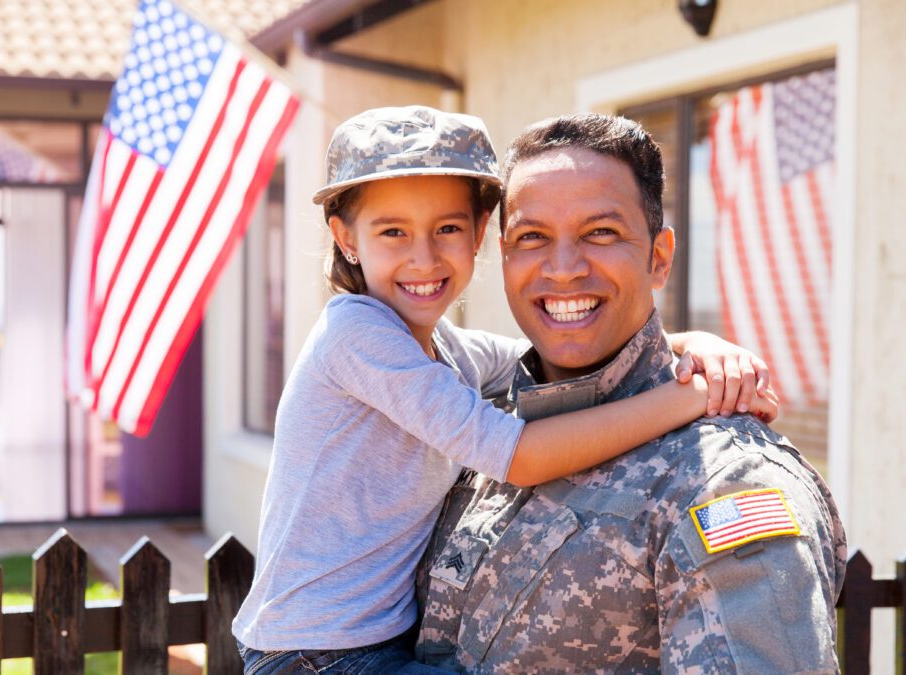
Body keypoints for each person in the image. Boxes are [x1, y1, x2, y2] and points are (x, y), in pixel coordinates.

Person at [232, 106, 776, 674]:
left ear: (478, 236)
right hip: (315, 654)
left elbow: (549, 347)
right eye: (392, 231)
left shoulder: (445, 348)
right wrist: (688, 397)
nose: (423, 256)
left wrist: (696, 345)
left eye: (447, 228)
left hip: (369, 643)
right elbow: (517, 455)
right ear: (346, 239)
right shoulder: (357, 335)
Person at [415, 113, 847, 672]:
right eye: (532, 237)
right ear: (504, 258)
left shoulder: (722, 481)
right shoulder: (481, 430)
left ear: (659, 257)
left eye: (601, 233)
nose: (563, 268)